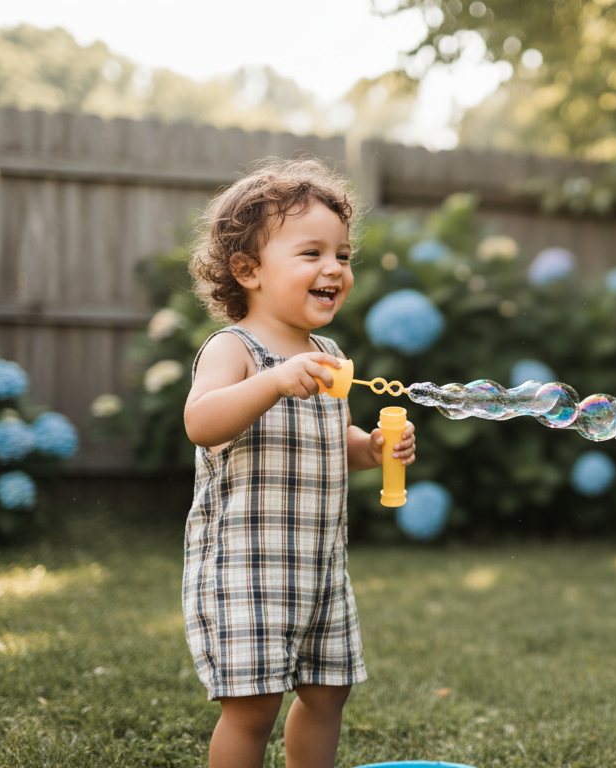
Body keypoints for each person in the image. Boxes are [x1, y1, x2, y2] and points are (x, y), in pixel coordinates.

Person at [181, 158, 416, 768]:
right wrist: (273, 382)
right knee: (252, 706)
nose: (334, 268)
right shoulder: (235, 349)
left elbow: (331, 435)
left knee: (327, 692)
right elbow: (201, 423)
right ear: (248, 270)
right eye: (311, 253)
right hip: (245, 569)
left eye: (342, 255)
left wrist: (371, 449)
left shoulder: (328, 354)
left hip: (318, 568)